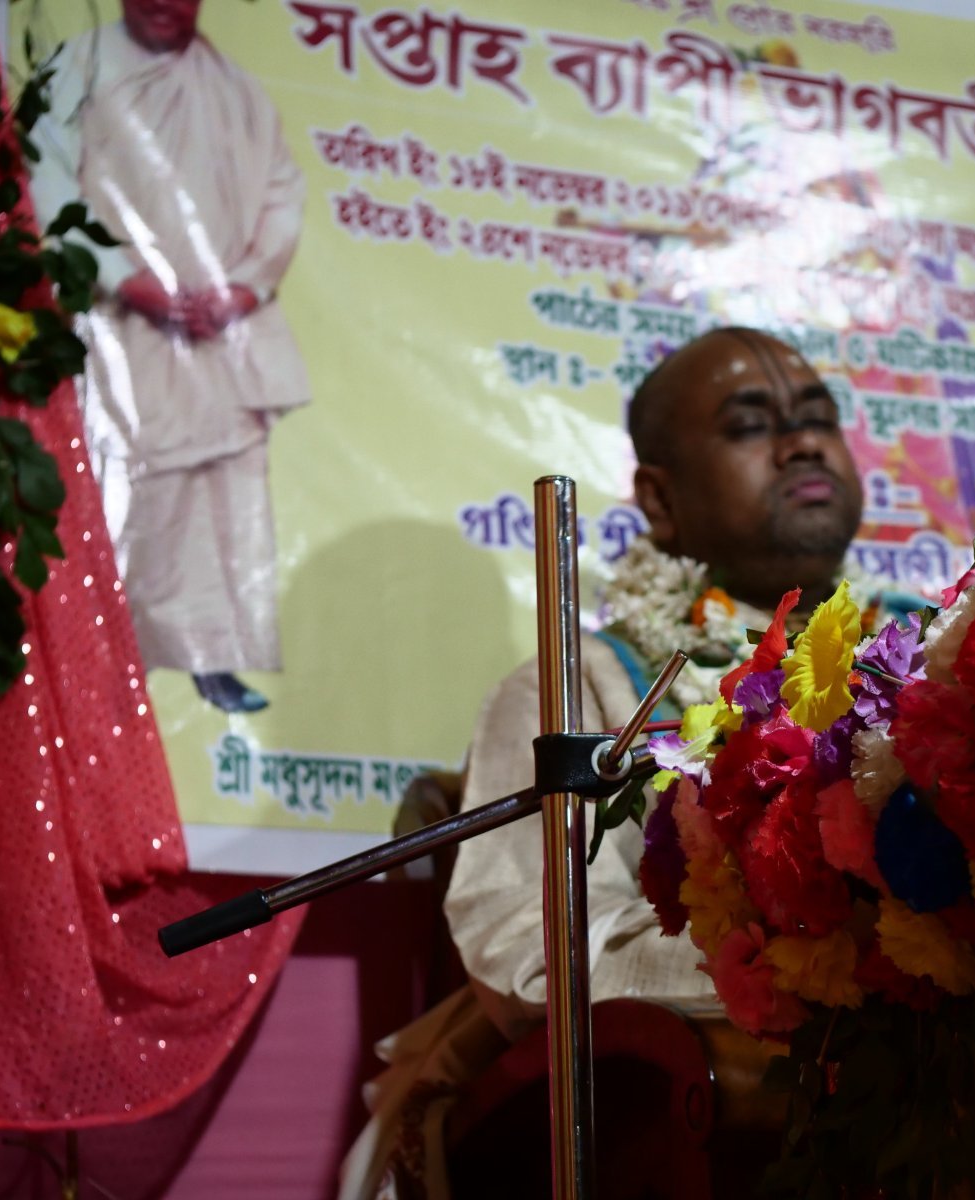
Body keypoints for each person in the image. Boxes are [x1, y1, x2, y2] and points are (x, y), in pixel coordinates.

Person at [339, 327, 871, 1198]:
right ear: (658, 501)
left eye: (819, 418)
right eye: (750, 426)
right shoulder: (572, 691)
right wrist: (799, 972)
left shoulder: (918, 667)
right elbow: (530, 951)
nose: (804, 442)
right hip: (677, 1112)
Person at [28, 0, 308, 713]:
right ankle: (105, 667)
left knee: (223, 496)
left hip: (218, 337)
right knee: (122, 492)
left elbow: (281, 192)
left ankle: (214, 658)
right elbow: (46, 179)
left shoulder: (236, 89)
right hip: (116, 329)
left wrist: (243, 289)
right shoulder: (78, 69)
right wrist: (125, 278)